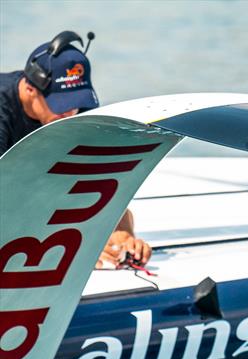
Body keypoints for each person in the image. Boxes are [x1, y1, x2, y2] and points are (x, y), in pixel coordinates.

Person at [0, 32, 151, 269]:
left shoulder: (71, 113)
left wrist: (122, 234)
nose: (70, 114)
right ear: (30, 88)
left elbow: (101, 182)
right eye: (60, 105)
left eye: (75, 102)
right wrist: (80, 246)